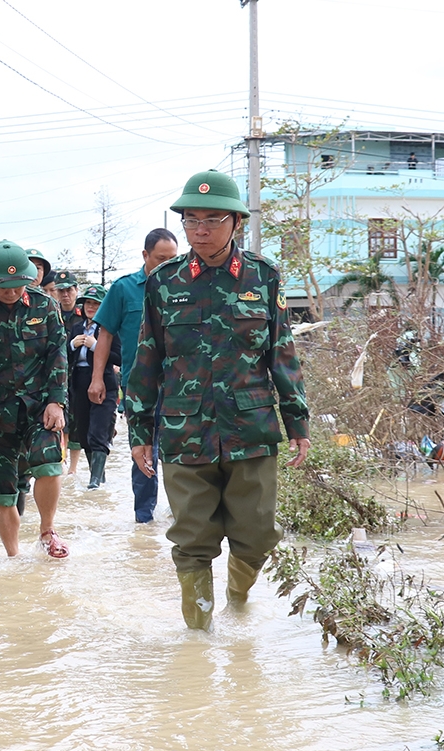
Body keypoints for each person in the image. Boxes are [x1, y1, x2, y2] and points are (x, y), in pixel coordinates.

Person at [126, 170, 310, 631]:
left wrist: (298, 423)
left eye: (212, 220)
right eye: (191, 220)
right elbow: (147, 358)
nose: (200, 230)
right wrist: (138, 431)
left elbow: (281, 354)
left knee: (258, 536)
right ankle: (199, 640)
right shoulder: (164, 282)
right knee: (191, 541)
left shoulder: (263, 277)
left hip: (250, 428)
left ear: (236, 223)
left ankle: (237, 601)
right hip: (184, 430)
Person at [0, 240, 70, 558]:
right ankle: (13, 557)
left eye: (18, 285)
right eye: (4, 287)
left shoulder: (44, 306)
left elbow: (57, 355)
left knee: (49, 463)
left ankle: (47, 531)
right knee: (2, 492)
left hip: (39, 406)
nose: (12, 292)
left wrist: (56, 401)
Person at [88, 228, 178, 522]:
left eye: (173, 259)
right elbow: (105, 335)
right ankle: (144, 519)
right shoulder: (123, 288)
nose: (167, 265)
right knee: (143, 450)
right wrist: (97, 378)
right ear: (145, 255)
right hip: (138, 386)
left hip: (181, 385)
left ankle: (181, 514)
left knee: (179, 450)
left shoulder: (184, 287)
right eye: (161, 258)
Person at [67, 283, 121, 489]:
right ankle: (98, 476)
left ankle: (95, 482)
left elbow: (119, 357)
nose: (91, 307)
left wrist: (97, 346)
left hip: (104, 383)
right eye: (88, 303)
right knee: (84, 432)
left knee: (99, 430)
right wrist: (72, 344)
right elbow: (63, 357)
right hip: (79, 383)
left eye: (96, 303)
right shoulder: (76, 328)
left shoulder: (111, 329)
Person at [52, 269, 83, 473]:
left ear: (76, 290)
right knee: (59, 417)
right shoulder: (51, 314)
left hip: (80, 375)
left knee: (77, 418)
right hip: (57, 375)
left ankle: (73, 468)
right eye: (61, 290)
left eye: (69, 290)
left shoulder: (85, 314)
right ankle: (60, 460)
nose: (65, 294)